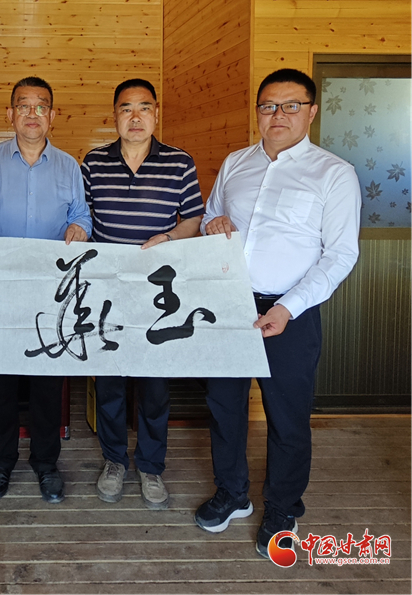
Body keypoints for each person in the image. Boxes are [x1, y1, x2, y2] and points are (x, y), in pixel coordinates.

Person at [194, 68, 361, 558]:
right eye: (268, 106)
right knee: (224, 407)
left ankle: (283, 506)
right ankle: (233, 493)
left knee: (287, 417)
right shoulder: (236, 163)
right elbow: (209, 217)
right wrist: (212, 223)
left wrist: (288, 306)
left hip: (292, 310)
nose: (278, 115)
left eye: (291, 105)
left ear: (311, 111)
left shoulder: (334, 173)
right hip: (229, 305)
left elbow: (341, 254)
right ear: (258, 112)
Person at [0, 76, 92, 504]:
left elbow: (82, 214)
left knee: (48, 383)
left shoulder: (68, 166)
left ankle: (46, 463)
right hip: (1, 287)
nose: (32, 114)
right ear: (10, 114)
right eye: (24, 106)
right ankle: (2, 460)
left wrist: (80, 228)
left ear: (52, 115)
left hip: (51, 289)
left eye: (41, 106)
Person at [82, 78, 204, 508]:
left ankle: (151, 466)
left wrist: (169, 237)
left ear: (156, 114)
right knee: (110, 383)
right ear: (114, 115)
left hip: (158, 294)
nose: (135, 117)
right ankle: (115, 460)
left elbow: (193, 218)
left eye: (144, 108)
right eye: (126, 108)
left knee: (154, 386)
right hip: (108, 292)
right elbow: (82, 216)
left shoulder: (179, 162)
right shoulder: (93, 163)